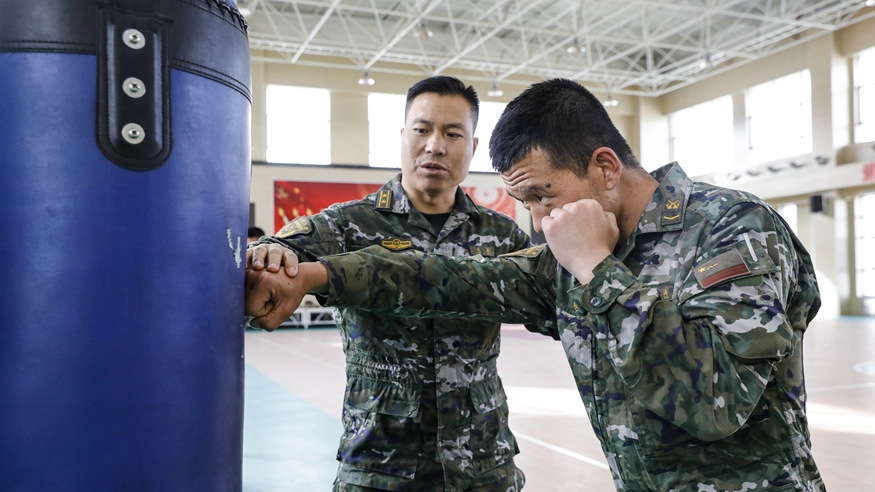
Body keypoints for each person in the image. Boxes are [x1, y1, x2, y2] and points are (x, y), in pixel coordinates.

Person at [245, 78, 825, 492]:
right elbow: (450, 276)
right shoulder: (571, 256)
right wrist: (319, 275)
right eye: (526, 204)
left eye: (543, 196)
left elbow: (711, 402)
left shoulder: (732, 228)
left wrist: (598, 271)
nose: (541, 222)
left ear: (604, 168)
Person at [247, 76, 531, 491]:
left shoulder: (501, 235)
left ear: (472, 146)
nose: (435, 145)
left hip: (481, 463)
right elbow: (277, 249)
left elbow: (549, 294)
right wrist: (274, 253)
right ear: (402, 136)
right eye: (422, 129)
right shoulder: (350, 223)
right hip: (381, 464)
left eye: (453, 133)